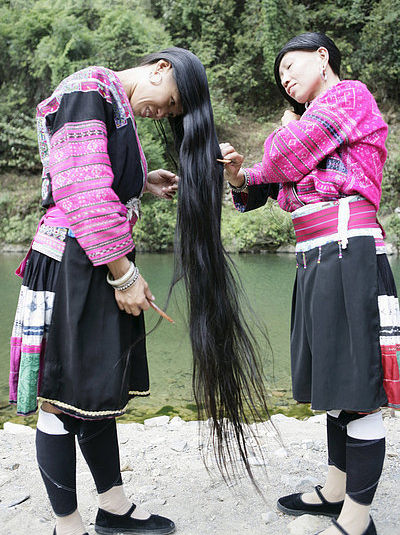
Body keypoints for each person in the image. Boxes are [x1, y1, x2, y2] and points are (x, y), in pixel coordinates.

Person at [10, 47, 271, 535]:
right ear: (161, 69)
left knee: (93, 393)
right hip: (76, 259)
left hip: (89, 257)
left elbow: (94, 174)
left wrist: (141, 181)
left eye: (173, 113)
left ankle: (113, 509)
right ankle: (67, 525)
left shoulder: (111, 101)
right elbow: (82, 189)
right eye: (173, 103)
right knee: (61, 396)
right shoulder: (88, 88)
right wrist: (124, 274)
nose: (165, 113)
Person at [220, 32, 400, 535]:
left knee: (357, 385)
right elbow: (264, 180)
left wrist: (282, 135)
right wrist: (238, 176)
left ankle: (357, 520)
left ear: (323, 56)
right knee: (334, 383)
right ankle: (335, 490)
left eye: (291, 66)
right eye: (280, 76)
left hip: (348, 252)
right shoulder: (313, 125)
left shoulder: (349, 96)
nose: (286, 78)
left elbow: (283, 159)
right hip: (317, 257)